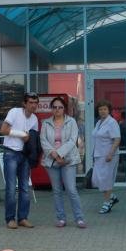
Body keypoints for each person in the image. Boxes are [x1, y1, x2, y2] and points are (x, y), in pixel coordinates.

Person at [41, 96, 86, 228]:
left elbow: (72, 140)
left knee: (71, 189)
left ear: (64, 109)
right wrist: (55, 155)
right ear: (51, 109)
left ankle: (79, 218)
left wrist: (60, 154)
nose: (57, 110)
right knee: (57, 191)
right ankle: (61, 218)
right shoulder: (46, 123)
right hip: (52, 160)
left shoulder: (71, 122)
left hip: (68, 160)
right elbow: (43, 140)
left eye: (60, 107)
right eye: (54, 107)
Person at [0, 92, 39, 229]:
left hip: (25, 155)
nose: (34, 105)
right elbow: (3, 129)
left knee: (25, 188)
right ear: (24, 103)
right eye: (31, 102)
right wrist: (21, 134)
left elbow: (32, 138)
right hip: (11, 152)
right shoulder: (14, 112)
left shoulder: (34, 119)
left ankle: (22, 218)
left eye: (36, 103)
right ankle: (10, 219)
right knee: (11, 188)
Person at [91, 99, 121, 214]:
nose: (102, 111)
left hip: (109, 156)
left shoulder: (112, 122)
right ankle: (112, 197)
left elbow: (117, 139)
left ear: (109, 110)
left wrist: (110, 153)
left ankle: (107, 203)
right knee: (97, 180)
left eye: (104, 109)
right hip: (99, 155)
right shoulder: (99, 122)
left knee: (106, 180)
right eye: (100, 109)